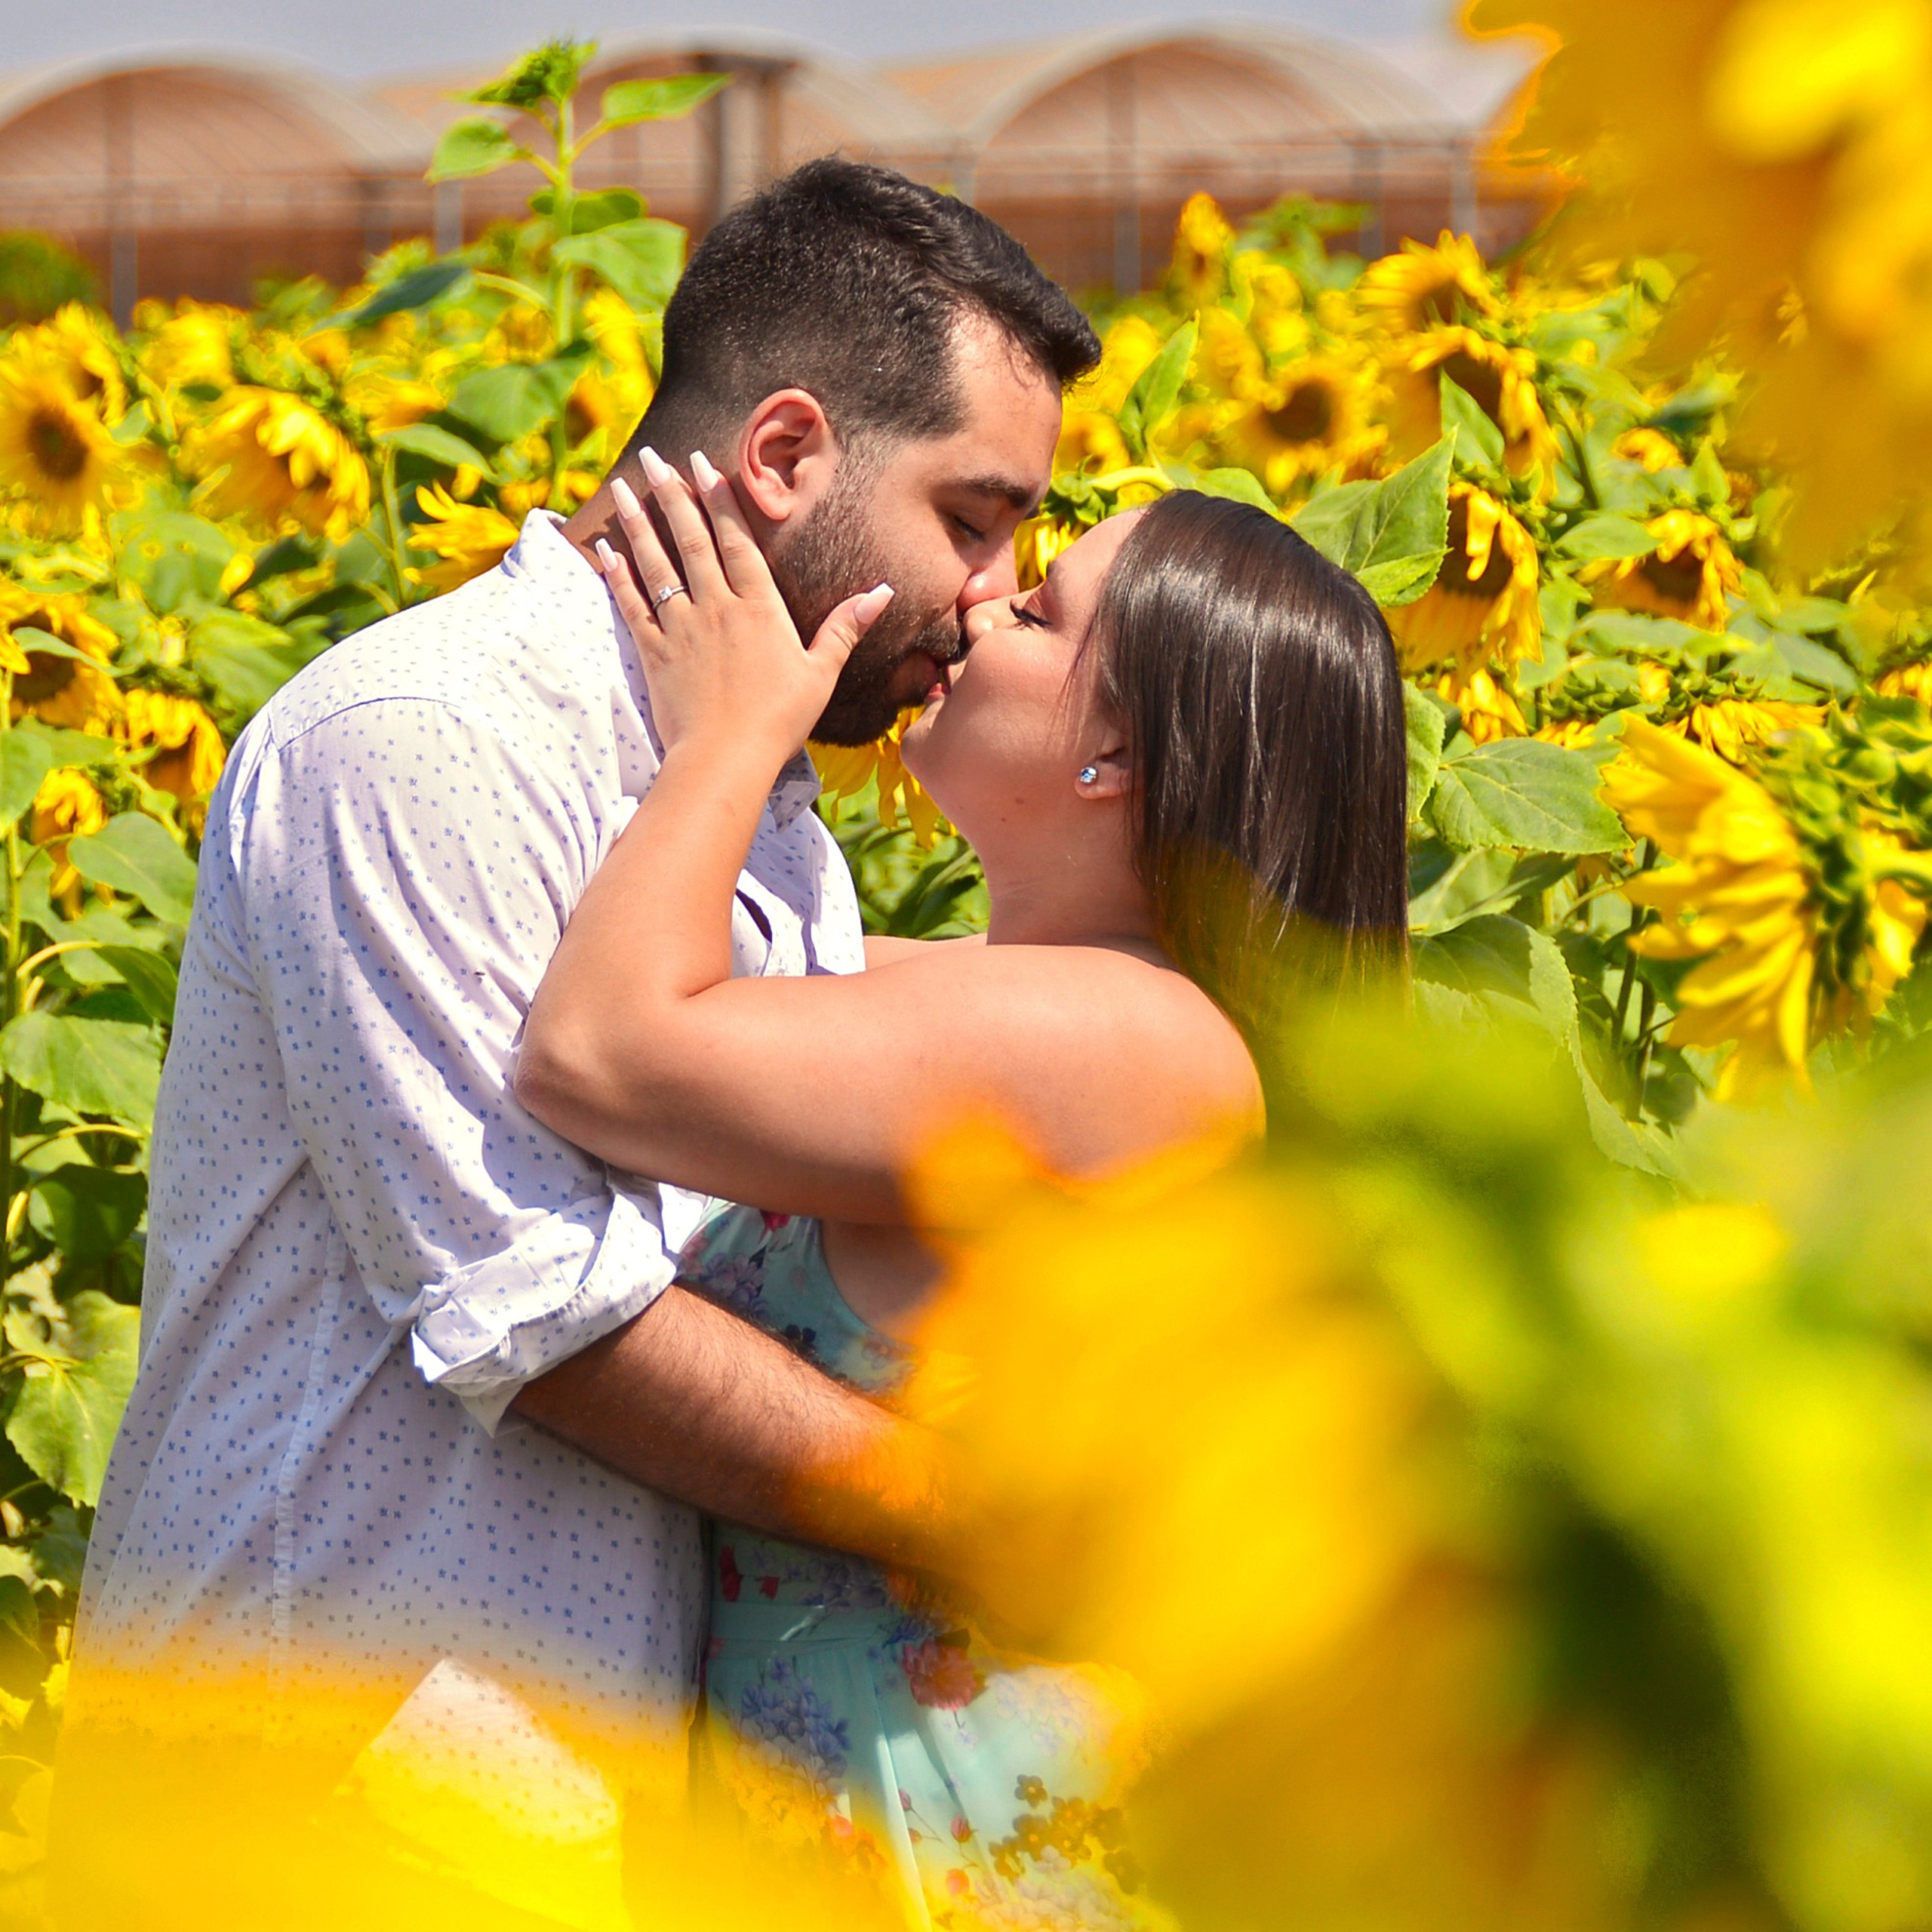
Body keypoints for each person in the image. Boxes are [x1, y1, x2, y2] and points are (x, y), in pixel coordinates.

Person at [54, 157, 1099, 1904]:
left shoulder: (759, 801)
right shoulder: (424, 735)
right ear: (781, 458)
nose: (992, 593)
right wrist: (981, 1522)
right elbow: (542, 1316)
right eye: (972, 516)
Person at [512, 457, 1410, 1924]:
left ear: (1114, 750)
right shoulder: (1015, 1009)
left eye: (1045, 612)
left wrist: (733, 732)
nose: (981, 607)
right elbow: (661, 971)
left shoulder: (1139, 1043)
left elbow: (600, 1047)